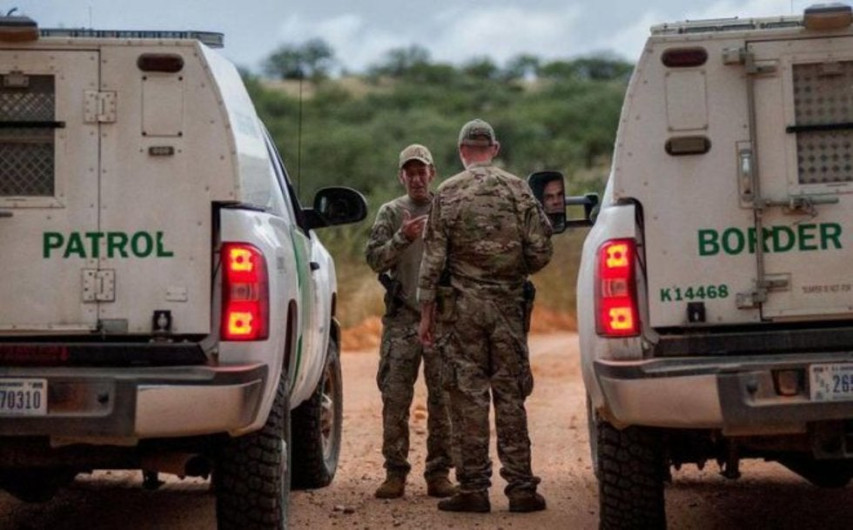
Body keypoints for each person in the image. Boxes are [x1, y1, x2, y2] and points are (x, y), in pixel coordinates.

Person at [417, 119, 552, 513]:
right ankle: (522, 489)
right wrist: (513, 270)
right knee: (510, 394)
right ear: (493, 148)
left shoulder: (448, 192)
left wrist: (426, 313)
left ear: (462, 151)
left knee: (468, 396)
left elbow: (433, 258)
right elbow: (541, 250)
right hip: (508, 306)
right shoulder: (517, 189)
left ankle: (474, 488)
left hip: (462, 310)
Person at [365, 143, 457, 500]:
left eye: (422, 172)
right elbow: (374, 259)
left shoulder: (445, 209)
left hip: (441, 320)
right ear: (401, 176)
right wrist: (403, 237)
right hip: (403, 316)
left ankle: (439, 473)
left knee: (443, 401)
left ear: (432, 174)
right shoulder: (392, 212)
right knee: (395, 397)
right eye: (410, 172)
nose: (417, 178)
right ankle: (395, 472)